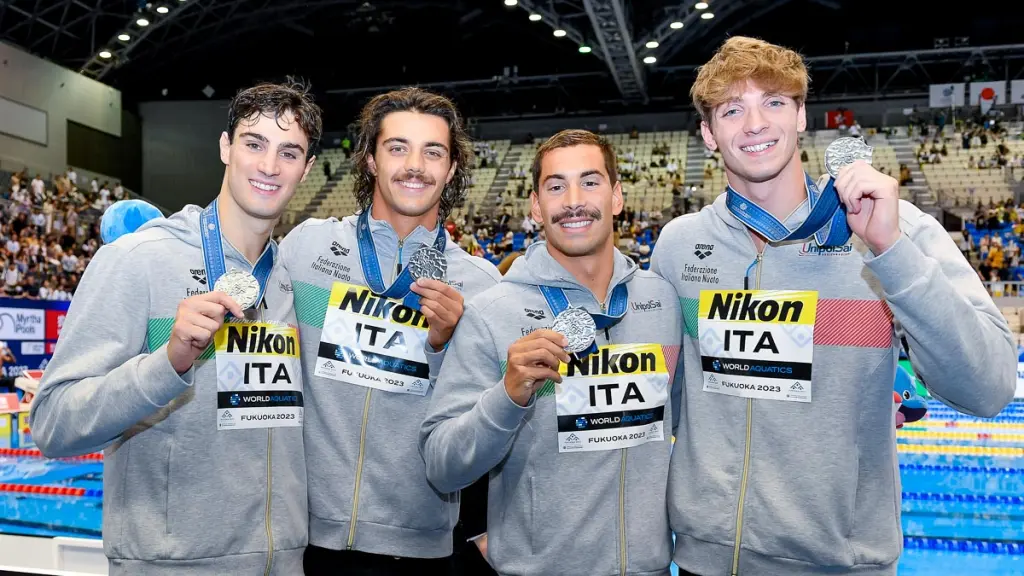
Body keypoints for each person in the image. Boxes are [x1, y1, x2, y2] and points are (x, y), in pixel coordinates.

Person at [652, 36, 1016, 576]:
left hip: (842, 562)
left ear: (801, 117)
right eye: (733, 109)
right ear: (708, 133)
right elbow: (665, 396)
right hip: (708, 559)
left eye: (774, 102)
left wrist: (891, 254)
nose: (755, 123)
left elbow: (989, 387)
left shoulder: (896, 229)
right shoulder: (680, 246)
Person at [29, 80, 322, 575]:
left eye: (289, 152)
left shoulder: (292, 280)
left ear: (307, 168)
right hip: (173, 565)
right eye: (254, 144)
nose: (270, 166)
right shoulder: (138, 260)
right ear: (226, 147)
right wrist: (168, 362)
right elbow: (53, 423)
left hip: (283, 563)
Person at [420, 129, 683, 576]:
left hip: (650, 568)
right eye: (556, 186)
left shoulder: (662, 301)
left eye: (591, 181)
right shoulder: (491, 314)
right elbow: (442, 465)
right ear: (536, 206)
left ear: (617, 196)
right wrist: (506, 397)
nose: (574, 200)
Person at [280, 87, 501, 575]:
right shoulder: (307, 249)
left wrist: (446, 347)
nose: (415, 165)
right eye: (397, 147)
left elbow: (487, 425)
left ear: (452, 168)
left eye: (433, 152)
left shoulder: (482, 287)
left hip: (420, 546)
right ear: (371, 160)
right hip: (305, 538)